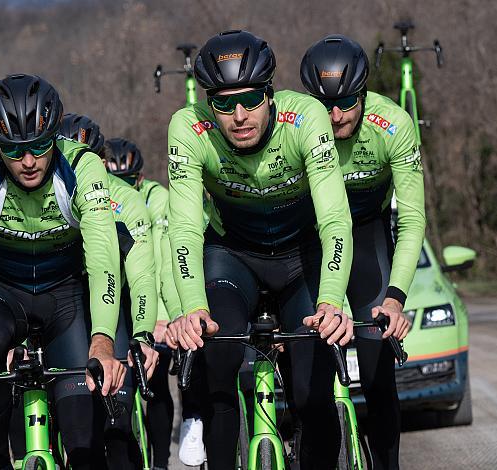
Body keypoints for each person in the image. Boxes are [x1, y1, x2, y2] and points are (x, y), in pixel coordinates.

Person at [165, 30, 355, 469]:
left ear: (270, 94)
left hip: (300, 256)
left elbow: (334, 220)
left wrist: (329, 301)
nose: (239, 115)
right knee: (219, 361)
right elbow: (185, 230)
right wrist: (193, 307)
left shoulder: (307, 117)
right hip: (233, 257)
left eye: (250, 99)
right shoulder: (187, 128)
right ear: (208, 103)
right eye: (224, 103)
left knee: (312, 395)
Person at [0, 74, 124, 470]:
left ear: (54, 136)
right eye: (14, 151)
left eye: (38, 146)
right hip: (0, 292)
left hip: (65, 296)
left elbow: (103, 257)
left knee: (85, 447)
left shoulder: (81, 166)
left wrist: (102, 343)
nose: (28, 161)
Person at [300, 34, 425, 469]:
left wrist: (396, 296)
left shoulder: (394, 126)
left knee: (378, 376)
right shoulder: (296, 126)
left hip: (369, 237)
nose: (334, 116)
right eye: (324, 105)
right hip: (315, 239)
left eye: (346, 102)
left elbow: (411, 220)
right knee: (309, 380)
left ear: (364, 92)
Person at [58, 114, 159, 469]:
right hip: (64, 313)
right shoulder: (47, 197)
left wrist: (143, 333)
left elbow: (143, 275)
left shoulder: (126, 201)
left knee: (116, 429)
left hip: (113, 308)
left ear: (102, 162)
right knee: (77, 437)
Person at [102, 137, 191, 469]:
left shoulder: (157, 199)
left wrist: (164, 317)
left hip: (154, 300)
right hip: (116, 297)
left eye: (127, 181)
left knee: (154, 380)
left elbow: (162, 262)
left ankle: (161, 463)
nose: (119, 187)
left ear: (139, 178)